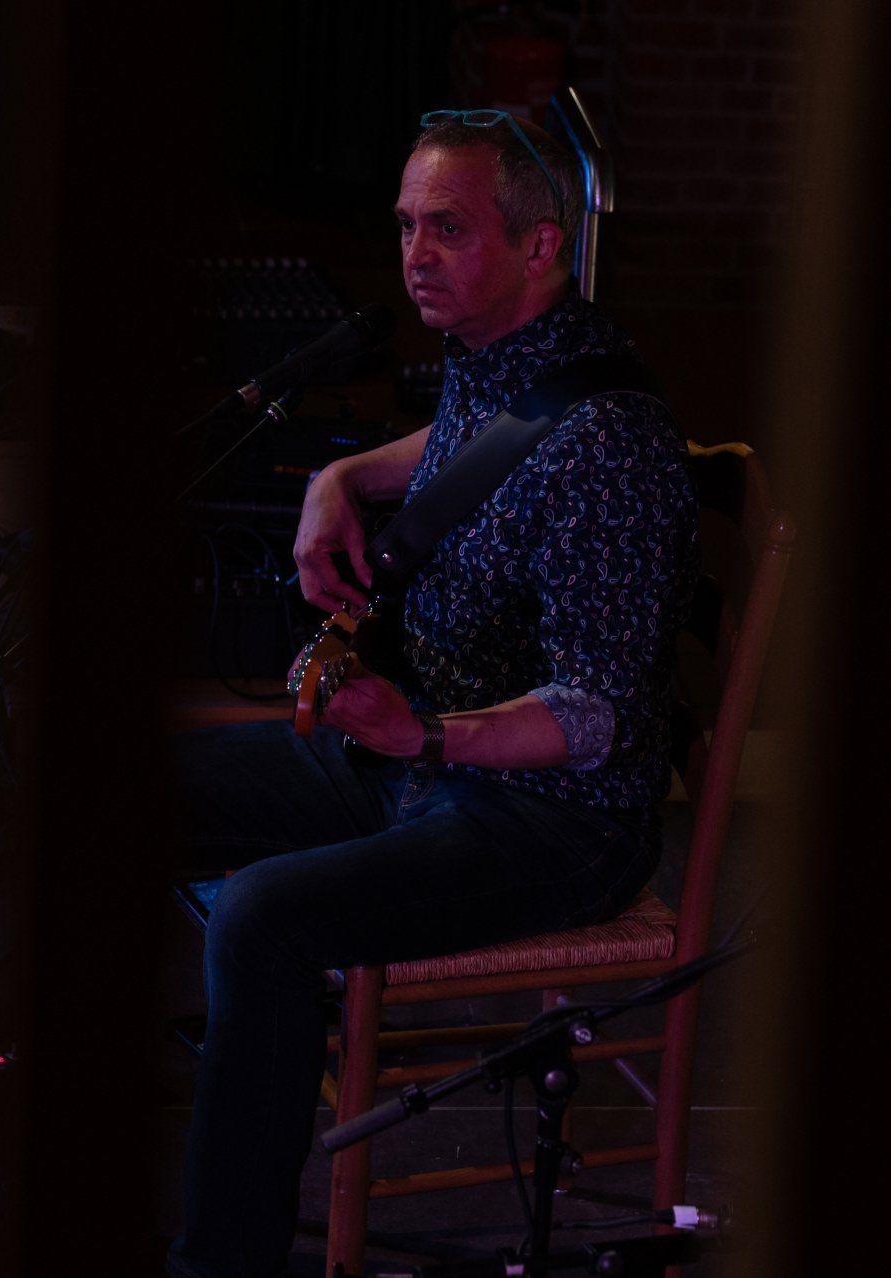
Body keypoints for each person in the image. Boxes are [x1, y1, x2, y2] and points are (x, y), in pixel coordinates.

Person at [166, 112, 698, 1278]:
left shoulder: (611, 448)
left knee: (260, 916)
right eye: (406, 225)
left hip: (553, 820)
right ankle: (220, 1107)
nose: (415, 255)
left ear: (540, 246)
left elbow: (598, 715)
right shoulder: (506, 354)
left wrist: (424, 733)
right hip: (420, 765)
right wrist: (342, 473)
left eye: (448, 229)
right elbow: (472, 438)